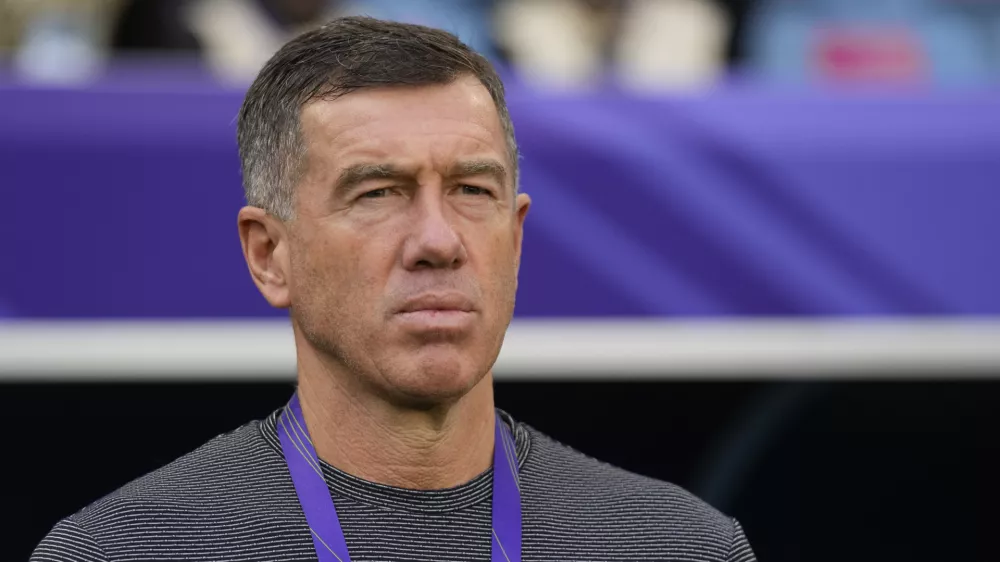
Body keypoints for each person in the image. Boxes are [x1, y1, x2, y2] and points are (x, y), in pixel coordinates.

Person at [30, 17, 756, 562]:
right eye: (378, 192)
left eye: (473, 190)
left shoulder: (678, 546)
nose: (438, 241)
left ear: (518, 236)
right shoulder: (123, 550)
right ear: (269, 254)